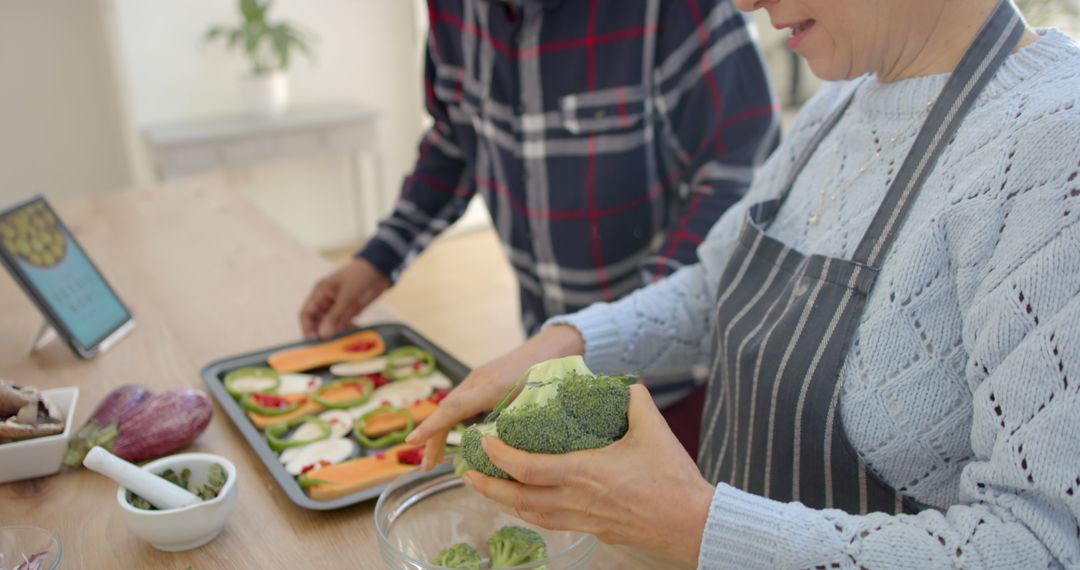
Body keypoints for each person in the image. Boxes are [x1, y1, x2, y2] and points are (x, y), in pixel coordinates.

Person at [407, 0, 1080, 566]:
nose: (746, 1)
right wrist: (559, 344)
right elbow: (711, 290)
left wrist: (693, 523)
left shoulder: (1055, 149)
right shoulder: (839, 106)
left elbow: (1041, 545)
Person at [299, 0, 780, 453]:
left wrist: (638, 328)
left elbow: (739, 177)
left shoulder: (681, 8)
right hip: (546, 358)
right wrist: (379, 258)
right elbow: (455, 139)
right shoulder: (452, 10)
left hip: (684, 381)